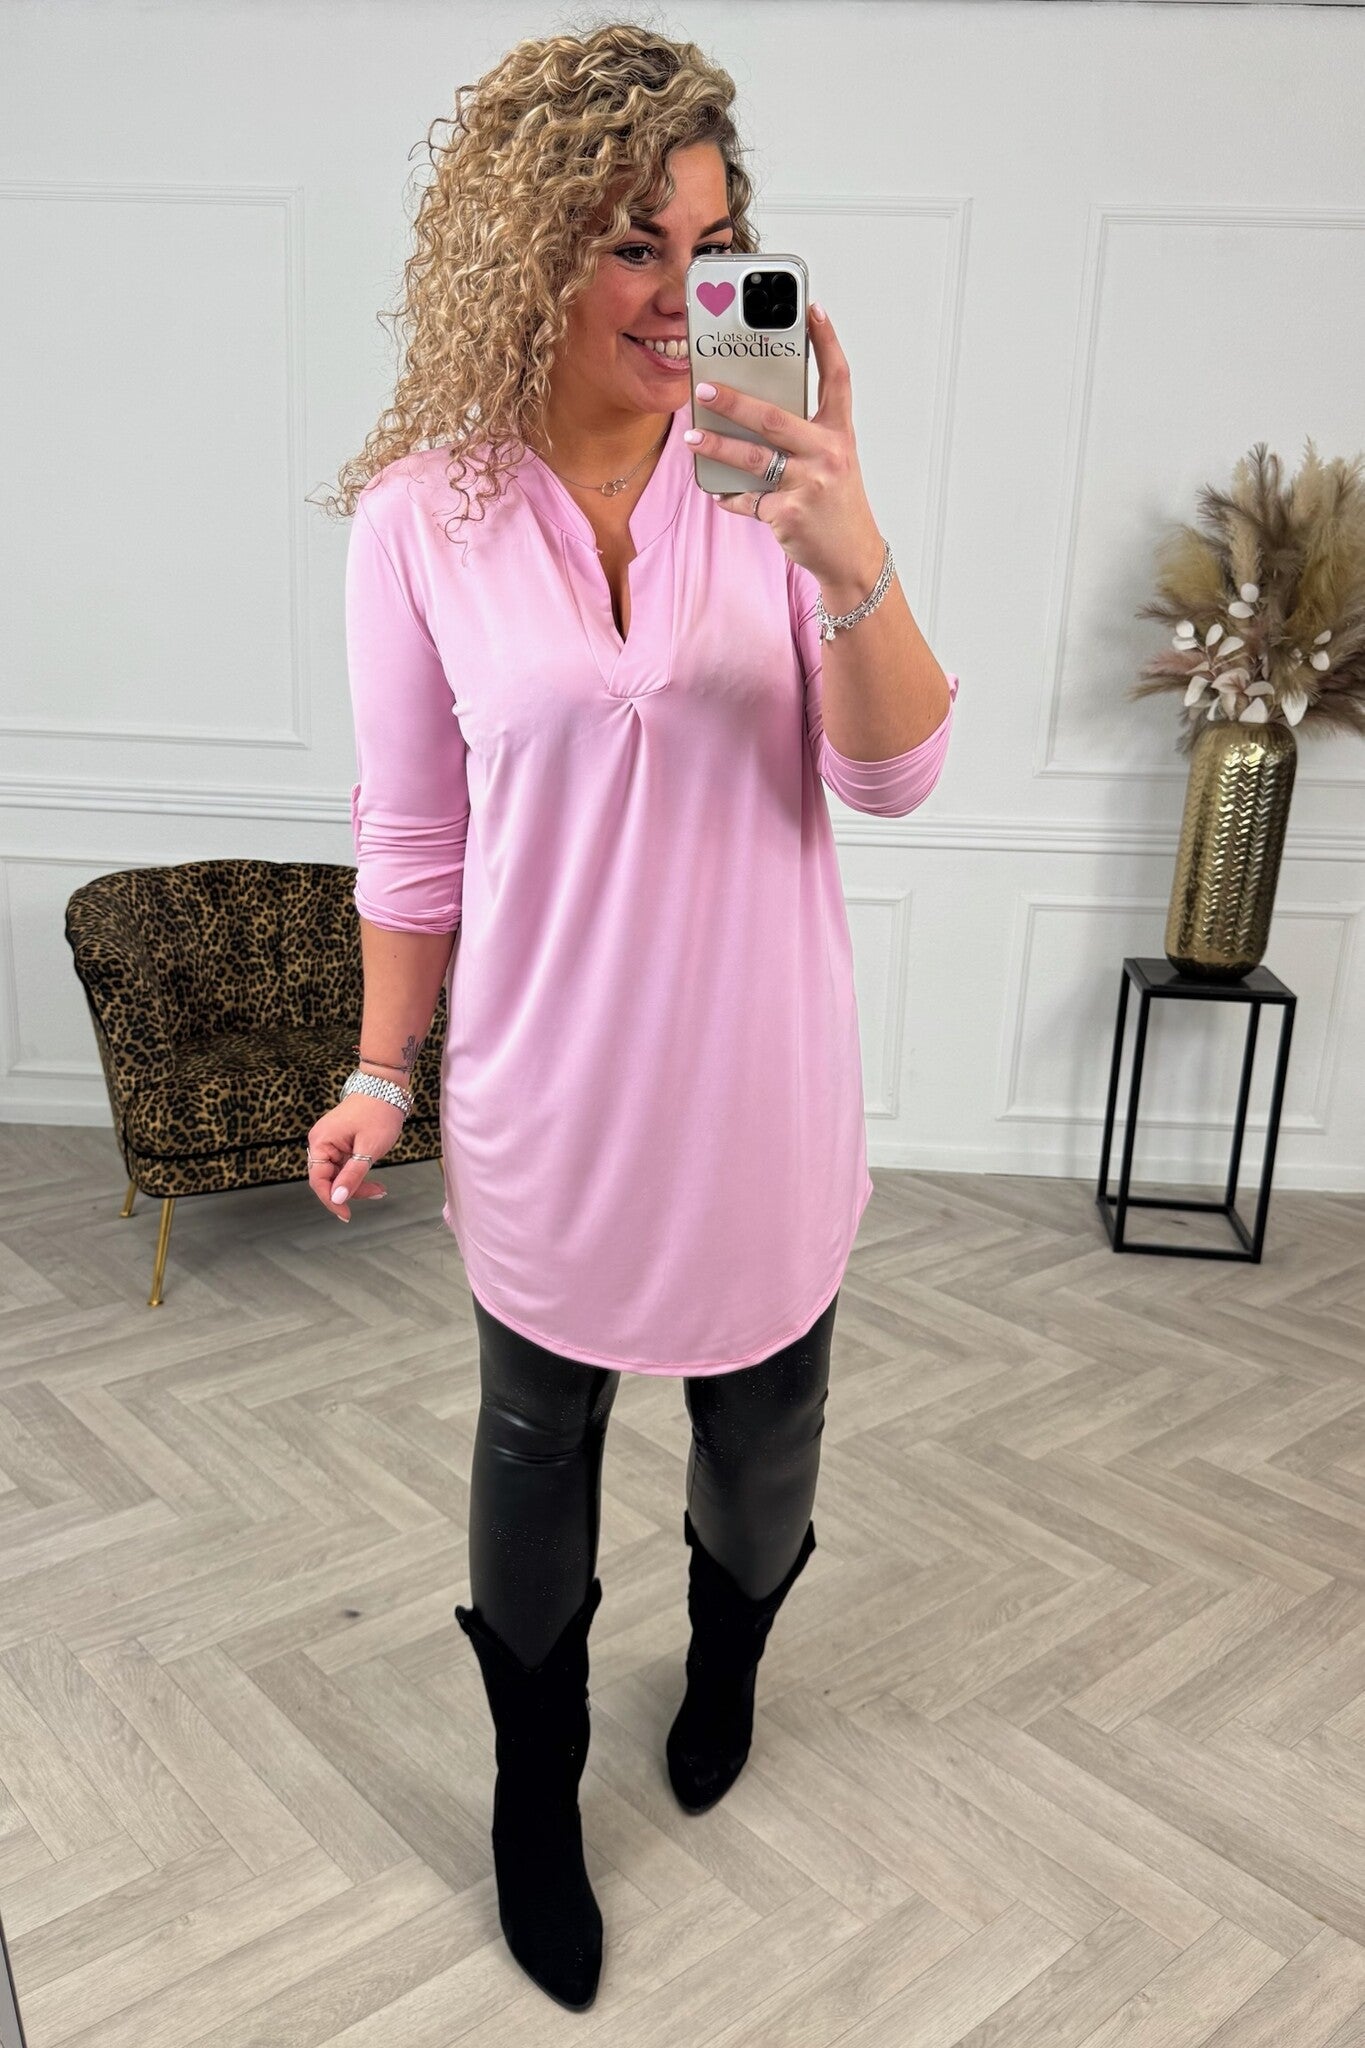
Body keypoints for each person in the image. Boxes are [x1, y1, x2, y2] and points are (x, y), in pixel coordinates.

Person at [306, 23, 958, 2015]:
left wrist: (845, 548)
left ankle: (728, 1660)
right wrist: (380, 1066)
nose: (685, 293)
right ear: (525, 250)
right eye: (630, 245)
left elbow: (892, 777)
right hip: (549, 1098)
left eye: (715, 243)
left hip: (761, 1086)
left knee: (763, 1445)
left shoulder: (768, 478)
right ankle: (531, 1790)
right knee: (534, 1443)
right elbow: (412, 829)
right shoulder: (421, 518)